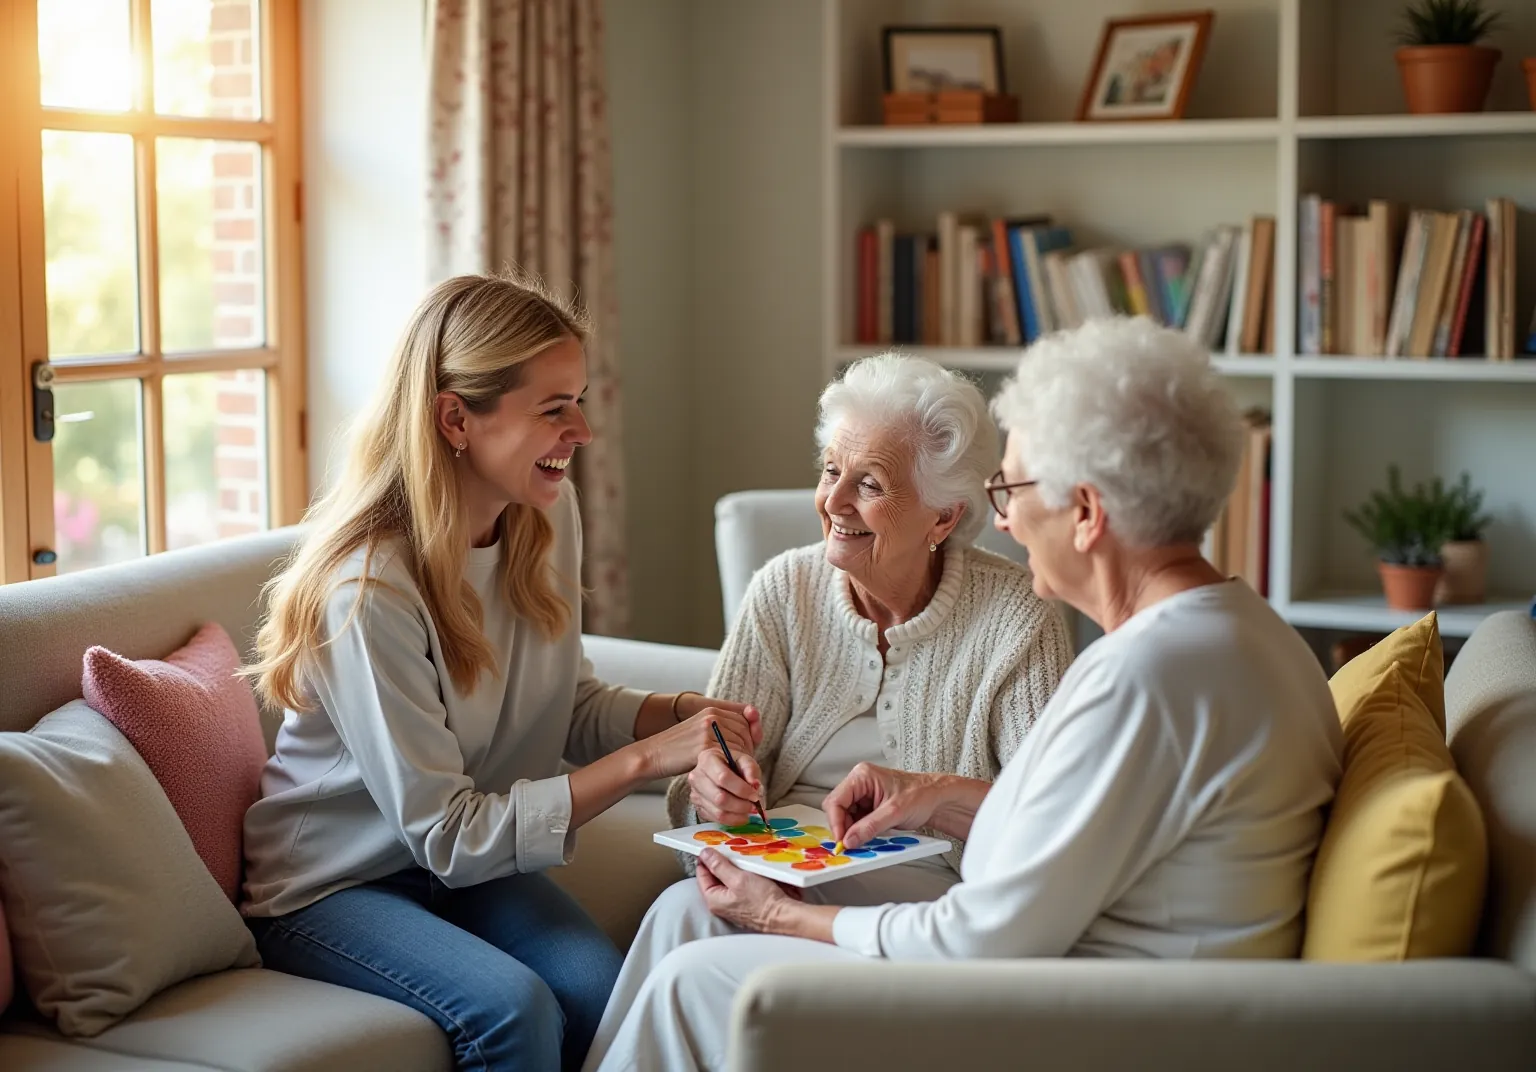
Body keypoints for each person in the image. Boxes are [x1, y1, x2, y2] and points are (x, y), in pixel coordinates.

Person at [588, 317, 1344, 1072]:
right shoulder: (1243, 634)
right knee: (687, 931)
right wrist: (938, 795)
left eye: (1012, 489)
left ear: (1085, 513)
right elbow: (1077, 833)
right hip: (1097, 987)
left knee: (693, 983)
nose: (1004, 519)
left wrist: (779, 915)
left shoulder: (1145, 678)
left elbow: (983, 932)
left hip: (1085, 1017)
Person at [239, 272, 761, 1072]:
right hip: (333, 888)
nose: (583, 431)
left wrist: (685, 714)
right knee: (512, 1012)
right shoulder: (369, 590)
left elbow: (567, 703)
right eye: (554, 408)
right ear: (456, 417)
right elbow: (449, 834)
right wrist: (650, 759)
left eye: (580, 399)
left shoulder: (543, 517)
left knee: (600, 988)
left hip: (459, 871)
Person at [582, 353, 1073, 1071]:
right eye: (829, 469)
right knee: (677, 913)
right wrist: (714, 793)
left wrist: (927, 803)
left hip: (930, 891)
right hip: (785, 862)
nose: (834, 500)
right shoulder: (784, 591)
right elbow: (700, 783)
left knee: (688, 934)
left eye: (869, 483)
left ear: (945, 516)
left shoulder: (1018, 617)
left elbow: (1047, 820)